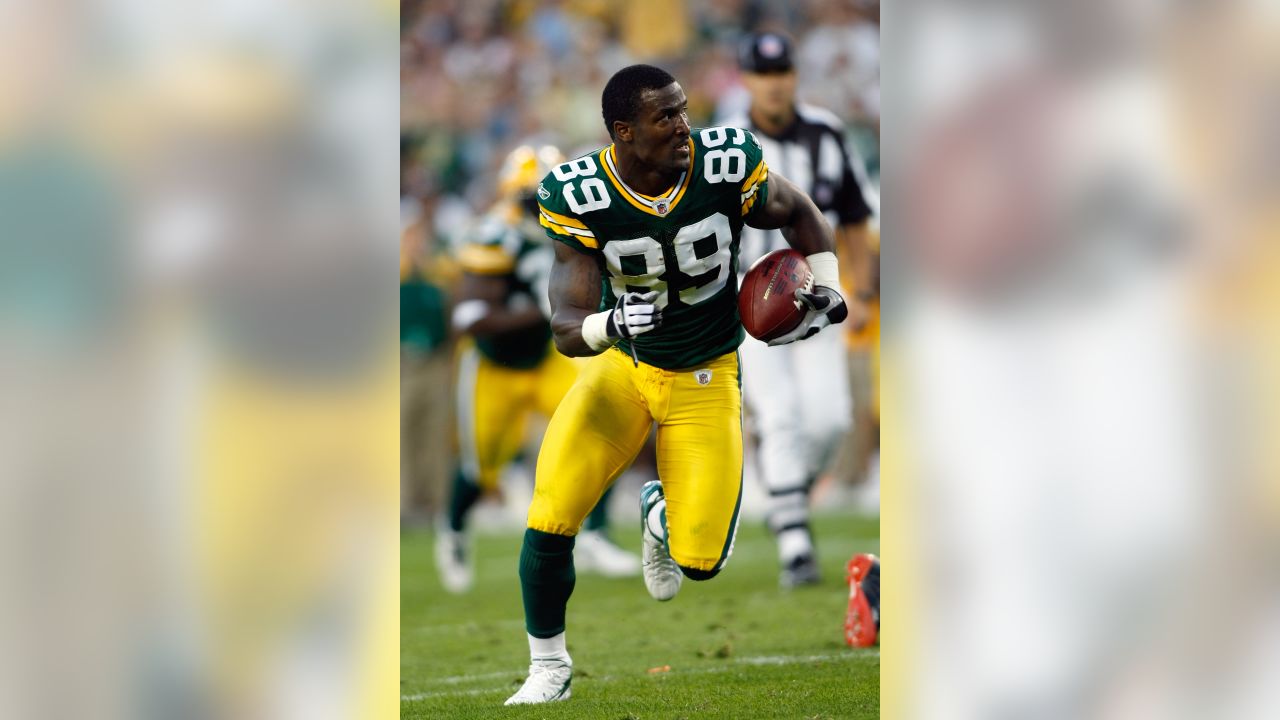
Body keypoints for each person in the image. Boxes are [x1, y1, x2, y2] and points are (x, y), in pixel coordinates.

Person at [505, 63, 849, 705]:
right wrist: (611, 323)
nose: (685, 126)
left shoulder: (723, 161)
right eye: (666, 117)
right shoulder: (580, 194)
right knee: (551, 513)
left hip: (705, 371)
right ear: (623, 132)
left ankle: (658, 511)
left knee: (702, 562)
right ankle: (548, 666)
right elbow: (565, 327)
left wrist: (825, 284)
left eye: (685, 109)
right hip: (623, 370)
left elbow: (798, 210)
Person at [436, 145, 640, 594]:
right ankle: (452, 533)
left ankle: (597, 535)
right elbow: (472, 317)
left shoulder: (571, 224)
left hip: (548, 356)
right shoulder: (495, 235)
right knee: (480, 465)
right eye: (534, 195)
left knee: (598, 426)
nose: (544, 203)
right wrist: (547, 312)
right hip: (495, 364)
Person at [721, 32, 878, 587]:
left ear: (794, 76)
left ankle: (787, 495)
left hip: (819, 294)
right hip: (751, 300)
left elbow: (856, 215)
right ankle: (795, 546)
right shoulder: (727, 142)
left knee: (831, 418)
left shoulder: (828, 133)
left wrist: (857, 290)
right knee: (781, 414)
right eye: (763, 73)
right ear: (747, 79)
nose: (774, 82)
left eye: (783, 71)